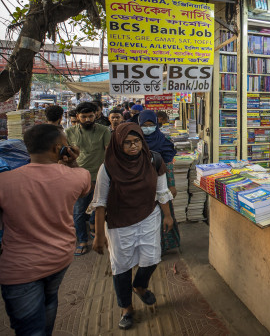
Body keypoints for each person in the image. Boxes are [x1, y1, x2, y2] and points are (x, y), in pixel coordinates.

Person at [0, 124, 90, 335]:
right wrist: (72, 161)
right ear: (58, 148)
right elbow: (84, 187)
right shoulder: (79, 176)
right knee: (50, 301)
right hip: (60, 257)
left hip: (19, 268)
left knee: (29, 326)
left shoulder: (4, 181)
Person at [92, 123, 174, 330]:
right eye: (127, 143)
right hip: (119, 222)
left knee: (152, 258)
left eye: (136, 141)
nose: (133, 146)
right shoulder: (108, 167)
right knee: (121, 266)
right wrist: (99, 235)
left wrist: (167, 215)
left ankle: (139, 286)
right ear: (118, 144)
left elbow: (162, 191)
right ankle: (126, 309)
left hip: (148, 216)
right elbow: (100, 202)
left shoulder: (153, 160)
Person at [66, 102, 111, 256]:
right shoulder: (69, 132)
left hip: (100, 175)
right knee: (78, 211)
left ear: (95, 115)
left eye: (90, 116)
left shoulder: (104, 130)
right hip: (77, 177)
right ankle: (82, 240)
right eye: (84, 116)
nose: (87, 119)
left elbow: (108, 152)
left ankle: (93, 224)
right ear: (77, 116)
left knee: (99, 206)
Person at [139, 110, 180, 254]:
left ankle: (163, 246)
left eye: (151, 124)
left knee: (164, 213)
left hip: (160, 182)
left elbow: (168, 163)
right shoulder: (135, 139)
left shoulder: (163, 139)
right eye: (145, 125)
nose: (148, 128)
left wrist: (172, 185)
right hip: (140, 186)